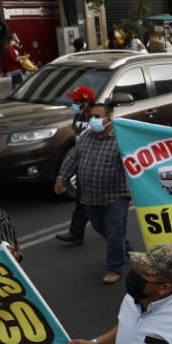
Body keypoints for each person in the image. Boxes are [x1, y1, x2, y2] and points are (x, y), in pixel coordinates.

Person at [55, 102, 129, 285]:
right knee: (98, 226)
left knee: (113, 233)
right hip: (90, 197)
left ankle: (114, 268)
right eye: (91, 117)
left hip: (115, 196)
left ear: (109, 118)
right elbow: (73, 157)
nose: (93, 121)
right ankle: (123, 247)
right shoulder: (87, 136)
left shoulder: (121, 140)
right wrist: (62, 178)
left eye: (97, 117)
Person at [55, 87, 98, 246]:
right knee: (81, 202)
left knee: (102, 206)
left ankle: (120, 241)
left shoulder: (97, 119)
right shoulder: (79, 115)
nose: (73, 103)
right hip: (82, 165)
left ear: (86, 102)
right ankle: (76, 233)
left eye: (76, 101)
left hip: (96, 168)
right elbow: (77, 142)